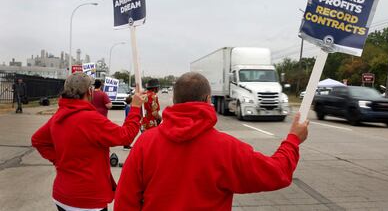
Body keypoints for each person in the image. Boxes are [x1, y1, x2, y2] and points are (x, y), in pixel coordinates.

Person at [114, 72, 309, 211]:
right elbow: (276, 172)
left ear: (174, 100)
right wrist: (293, 140)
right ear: (208, 99)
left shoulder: (145, 143)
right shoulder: (227, 148)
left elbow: (125, 201)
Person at [31, 72, 143, 211]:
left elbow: (38, 140)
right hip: (88, 200)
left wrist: (58, 160)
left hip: (62, 195)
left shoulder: (59, 115)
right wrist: (135, 108)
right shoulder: (90, 119)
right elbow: (126, 135)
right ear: (90, 91)